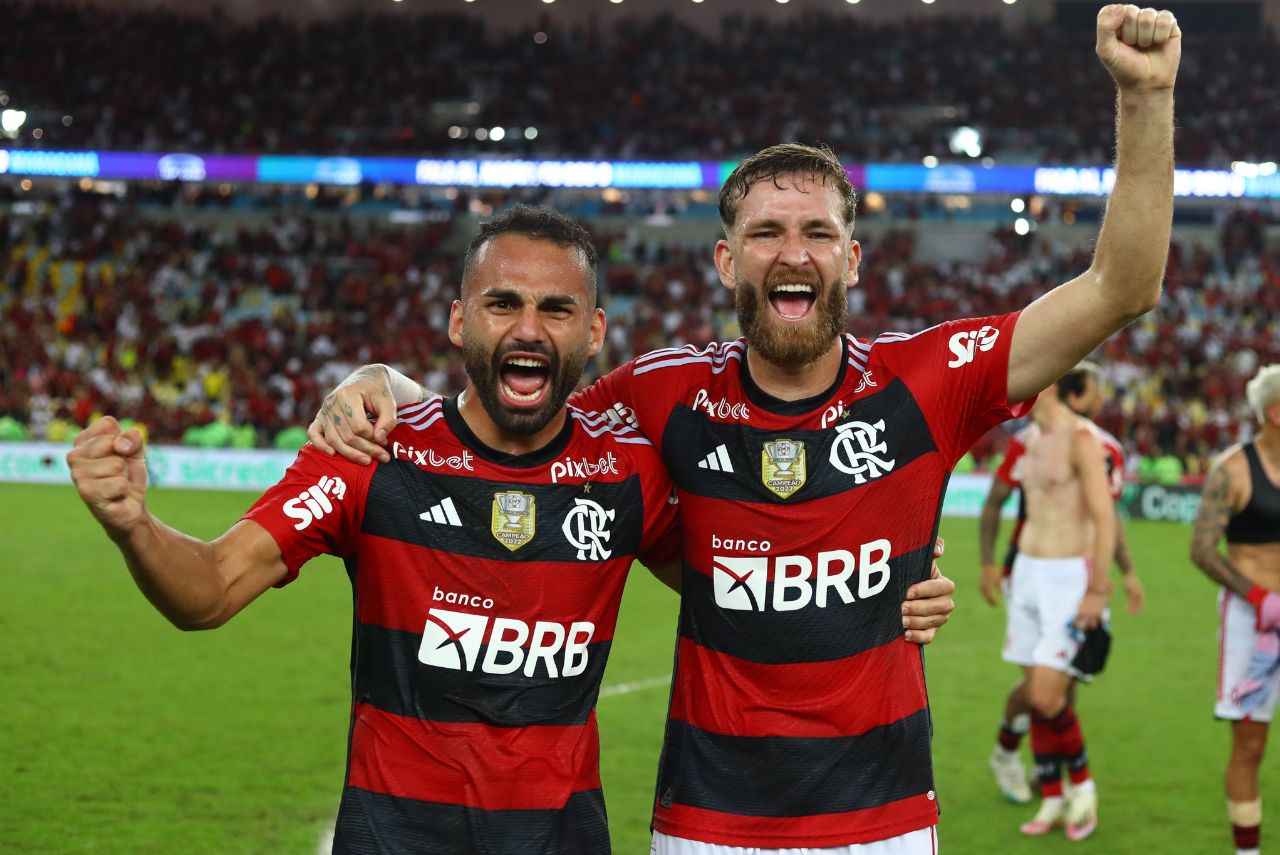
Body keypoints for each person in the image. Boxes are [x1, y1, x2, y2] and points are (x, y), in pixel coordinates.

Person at [311, 8, 1181, 851]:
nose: (792, 252)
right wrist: (382, 379)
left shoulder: (929, 380)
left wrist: (1144, 101)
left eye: (817, 232)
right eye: (765, 232)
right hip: (704, 822)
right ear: (728, 259)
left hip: (879, 822)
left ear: (852, 257)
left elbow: (1121, 287)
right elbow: (510, 418)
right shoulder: (661, 391)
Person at [68, 206, 956, 855]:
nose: (527, 329)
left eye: (556, 310)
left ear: (593, 334)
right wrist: (134, 525)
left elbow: (748, 571)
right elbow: (211, 589)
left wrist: (900, 580)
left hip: (564, 837)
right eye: (502, 304)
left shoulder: (627, 474)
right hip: (394, 837)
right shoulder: (371, 455)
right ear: (460, 321)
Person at [979, 362, 1145, 808]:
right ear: (1074, 392)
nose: (1100, 400)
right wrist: (989, 564)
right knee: (1045, 688)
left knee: (1058, 688)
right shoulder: (1025, 442)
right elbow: (995, 502)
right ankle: (1027, 761)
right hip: (1027, 571)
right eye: (1095, 391)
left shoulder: (1095, 445)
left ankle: (1047, 771)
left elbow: (1106, 516)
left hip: (1073, 571)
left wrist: (1115, 576)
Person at [1191, 364, 1280, 855]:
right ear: (1276, 413)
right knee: (1250, 746)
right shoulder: (1234, 468)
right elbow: (1202, 549)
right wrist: (1260, 599)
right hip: (1255, 624)